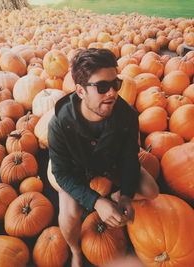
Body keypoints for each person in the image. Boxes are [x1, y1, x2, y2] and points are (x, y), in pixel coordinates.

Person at [48, 48, 159, 267]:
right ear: (80, 91)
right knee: (69, 218)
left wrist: (126, 194)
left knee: (151, 190)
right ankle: (76, 251)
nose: (112, 93)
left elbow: (129, 158)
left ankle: (116, 194)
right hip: (76, 167)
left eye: (115, 84)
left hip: (111, 162)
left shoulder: (127, 116)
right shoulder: (60, 124)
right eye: (102, 87)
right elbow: (60, 173)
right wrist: (95, 201)